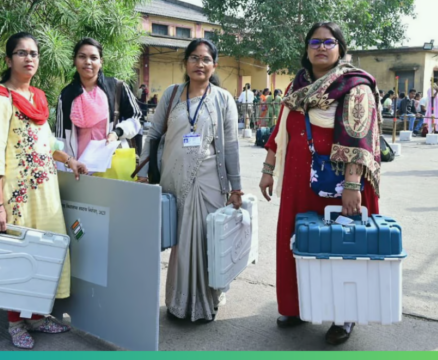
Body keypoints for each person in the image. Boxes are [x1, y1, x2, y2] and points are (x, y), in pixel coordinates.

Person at [259, 22, 381, 346]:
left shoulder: (355, 85)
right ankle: (296, 306)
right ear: (307, 48)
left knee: (342, 248)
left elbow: (361, 138)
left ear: (340, 48)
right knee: (300, 242)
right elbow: (280, 131)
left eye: (329, 42)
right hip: (301, 180)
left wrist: (353, 186)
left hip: (342, 184)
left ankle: (345, 315)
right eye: (315, 41)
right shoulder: (296, 87)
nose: (322, 47)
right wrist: (269, 167)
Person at [0, 32, 87, 349]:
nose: (29, 59)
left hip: (45, 193)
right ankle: (15, 323)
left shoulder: (37, 97)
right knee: (17, 257)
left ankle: (37, 317)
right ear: (9, 59)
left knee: (45, 254)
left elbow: (46, 143)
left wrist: (70, 160)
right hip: (15, 196)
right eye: (21, 53)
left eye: (34, 53)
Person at [137, 38, 242, 322]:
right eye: (194, 58)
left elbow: (231, 146)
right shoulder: (172, 94)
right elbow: (154, 134)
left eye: (206, 59)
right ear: (186, 63)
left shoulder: (223, 99)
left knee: (206, 241)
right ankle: (178, 303)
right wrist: (144, 173)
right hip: (174, 178)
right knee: (180, 243)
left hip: (210, 180)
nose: (200, 64)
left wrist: (237, 187)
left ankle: (206, 303)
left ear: (214, 65)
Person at [55, 38, 142, 168]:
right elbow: (61, 137)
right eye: (82, 57)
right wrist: (65, 167)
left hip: (112, 164)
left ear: (101, 62)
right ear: (74, 60)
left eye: (93, 57)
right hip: (79, 166)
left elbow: (136, 118)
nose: (88, 62)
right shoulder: (67, 95)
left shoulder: (116, 87)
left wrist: (116, 132)